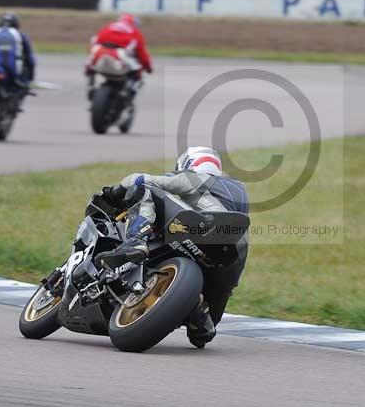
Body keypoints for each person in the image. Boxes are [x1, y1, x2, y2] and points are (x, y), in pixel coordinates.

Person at [93, 146, 249, 348]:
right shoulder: (239, 189)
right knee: (203, 334)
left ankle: (136, 242)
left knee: (143, 188)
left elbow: (141, 180)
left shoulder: (192, 178)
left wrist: (114, 192)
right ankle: (200, 313)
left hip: (197, 227)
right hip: (232, 256)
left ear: (187, 164)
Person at [85, 13, 153, 100]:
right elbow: (143, 55)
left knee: (90, 62)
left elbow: (94, 41)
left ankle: (90, 84)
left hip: (99, 53)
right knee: (138, 72)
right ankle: (127, 94)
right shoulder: (135, 33)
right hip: (120, 57)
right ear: (134, 24)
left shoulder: (108, 27)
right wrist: (148, 68)